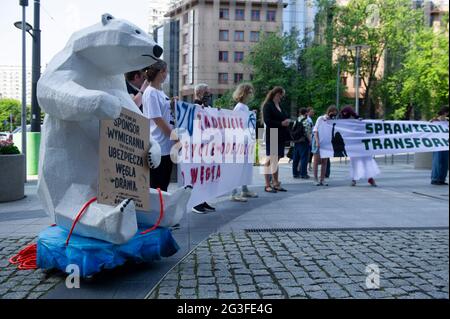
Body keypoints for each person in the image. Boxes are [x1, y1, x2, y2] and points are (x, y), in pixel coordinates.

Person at [142, 59, 175, 192]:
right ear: (161, 72)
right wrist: (174, 136)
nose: (166, 74)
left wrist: (171, 103)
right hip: (159, 146)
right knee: (157, 187)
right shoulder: (151, 93)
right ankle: (156, 212)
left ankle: (161, 212)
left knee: (164, 186)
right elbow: (158, 119)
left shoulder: (159, 92)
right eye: (166, 71)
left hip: (166, 146)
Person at [191, 83, 217, 214]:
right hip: (199, 147)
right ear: (200, 93)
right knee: (199, 174)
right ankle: (196, 203)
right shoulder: (194, 107)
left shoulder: (207, 107)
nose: (209, 94)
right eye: (207, 92)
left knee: (206, 175)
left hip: (208, 146)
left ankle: (203, 200)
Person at [230, 83, 258, 202]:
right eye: (249, 93)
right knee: (238, 167)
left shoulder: (244, 107)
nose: (251, 95)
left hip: (246, 141)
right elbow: (237, 123)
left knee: (245, 166)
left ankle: (244, 189)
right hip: (241, 141)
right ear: (244, 93)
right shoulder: (240, 107)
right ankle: (233, 192)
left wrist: (251, 114)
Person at [339, 106, 379, 187]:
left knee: (366, 161)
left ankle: (369, 178)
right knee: (356, 162)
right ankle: (355, 179)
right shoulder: (344, 122)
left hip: (361, 145)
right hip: (354, 146)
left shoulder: (358, 120)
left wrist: (381, 123)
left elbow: (369, 125)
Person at [262, 86, 291, 193]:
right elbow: (267, 121)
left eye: (281, 95)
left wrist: (287, 120)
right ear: (275, 94)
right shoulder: (268, 105)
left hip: (281, 135)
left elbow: (284, 115)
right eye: (279, 95)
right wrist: (281, 123)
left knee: (276, 159)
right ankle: (267, 184)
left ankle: (275, 182)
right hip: (273, 134)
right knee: (270, 159)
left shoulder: (280, 105)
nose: (280, 97)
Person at [312, 105, 338, 186]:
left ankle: (322, 179)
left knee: (325, 162)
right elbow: (315, 130)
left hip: (327, 143)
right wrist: (317, 141)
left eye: (335, 114)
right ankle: (315, 179)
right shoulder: (321, 118)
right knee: (316, 161)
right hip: (319, 142)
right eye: (333, 113)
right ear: (329, 112)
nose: (333, 115)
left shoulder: (333, 121)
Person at [431, 106, 449, 185]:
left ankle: (442, 179)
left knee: (445, 161)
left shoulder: (447, 122)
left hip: (446, 144)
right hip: (437, 144)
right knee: (437, 161)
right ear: (445, 112)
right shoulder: (434, 120)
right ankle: (435, 179)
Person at [292, 108, 311, 179]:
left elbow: (293, 130)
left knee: (296, 158)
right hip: (303, 141)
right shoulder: (306, 121)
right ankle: (303, 174)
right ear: (306, 113)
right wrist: (310, 141)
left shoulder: (296, 120)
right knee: (304, 158)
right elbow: (307, 133)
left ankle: (295, 173)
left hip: (296, 141)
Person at [306, 107, 315, 172]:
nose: (313, 113)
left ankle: (272, 178)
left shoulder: (310, 119)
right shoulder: (307, 120)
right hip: (273, 132)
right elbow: (308, 130)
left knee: (274, 157)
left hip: (274, 132)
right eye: (311, 112)